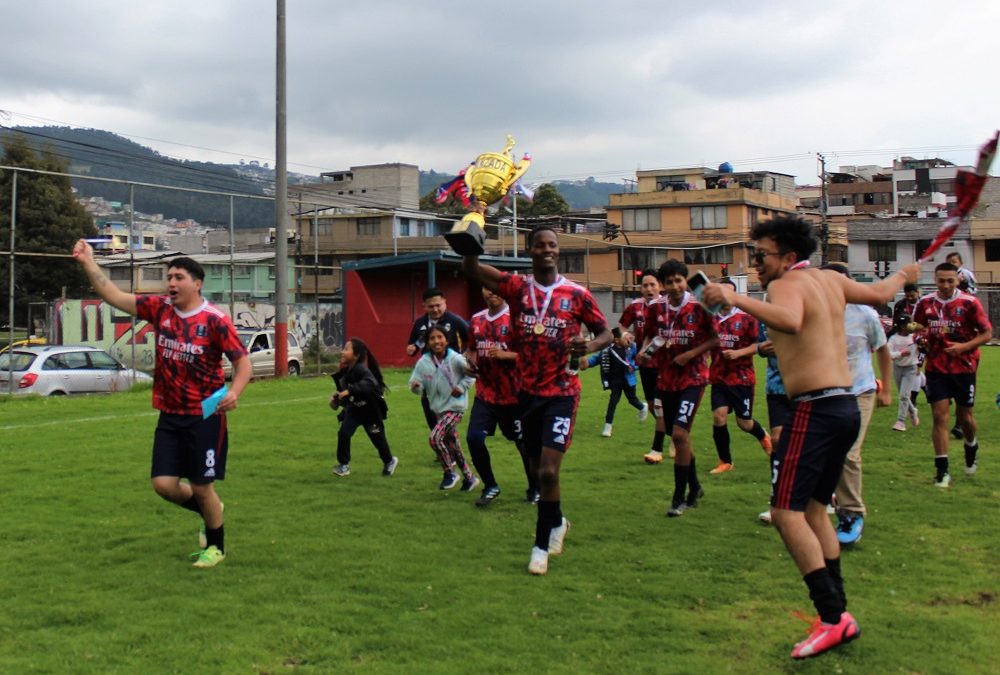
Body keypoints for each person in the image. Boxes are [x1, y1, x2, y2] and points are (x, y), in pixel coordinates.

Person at [702, 215, 918, 659]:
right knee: (817, 511)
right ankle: (839, 614)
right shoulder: (829, 281)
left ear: (789, 257)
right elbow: (880, 294)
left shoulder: (784, 286)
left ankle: (832, 618)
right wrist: (905, 273)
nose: (756, 263)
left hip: (815, 409)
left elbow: (791, 320)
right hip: (844, 408)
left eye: (760, 255)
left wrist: (733, 296)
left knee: (786, 513)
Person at [73, 240, 251, 569]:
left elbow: (243, 364)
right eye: (169, 276)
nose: (171, 282)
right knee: (163, 485)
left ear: (196, 283)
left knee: (201, 485)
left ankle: (216, 547)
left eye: (179, 277)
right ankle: (209, 510)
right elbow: (113, 294)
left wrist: (234, 392)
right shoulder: (160, 309)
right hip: (169, 414)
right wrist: (88, 261)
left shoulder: (214, 320)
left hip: (205, 414)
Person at [462, 224, 612, 576]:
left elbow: (606, 332)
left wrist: (589, 345)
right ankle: (557, 521)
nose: (548, 249)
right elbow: (471, 270)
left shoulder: (577, 294)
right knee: (534, 469)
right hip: (525, 392)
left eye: (553, 245)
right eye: (541, 245)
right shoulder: (516, 288)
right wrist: (473, 238)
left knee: (548, 470)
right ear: (531, 251)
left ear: (559, 251)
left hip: (561, 392)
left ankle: (540, 546)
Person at [638, 259, 718, 517]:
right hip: (666, 378)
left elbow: (716, 338)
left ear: (686, 281)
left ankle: (678, 498)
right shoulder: (656, 308)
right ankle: (694, 487)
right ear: (663, 284)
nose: (674, 286)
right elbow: (651, 334)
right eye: (669, 282)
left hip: (693, 378)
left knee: (681, 435)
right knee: (677, 436)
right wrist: (645, 351)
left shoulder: (699, 305)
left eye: (679, 281)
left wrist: (691, 354)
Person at [822, 263, 892, 547]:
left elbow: (884, 350)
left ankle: (852, 514)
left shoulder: (865, 315)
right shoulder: (816, 314)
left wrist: (885, 388)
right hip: (826, 393)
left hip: (861, 391)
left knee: (848, 452)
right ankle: (821, 503)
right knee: (824, 452)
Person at [911, 262, 992, 487]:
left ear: (958, 280)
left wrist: (964, 347)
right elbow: (916, 327)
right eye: (941, 281)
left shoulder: (969, 303)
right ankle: (942, 472)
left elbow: (987, 333)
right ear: (935, 280)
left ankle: (971, 444)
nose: (945, 285)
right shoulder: (926, 303)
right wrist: (920, 338)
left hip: (964, 367)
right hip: (936, 367)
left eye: (950, 280)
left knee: (965, 417)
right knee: (939, 415)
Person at [465, 287, 536, 507]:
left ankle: (535, 488)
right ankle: (490, 486)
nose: (492, 292)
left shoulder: (518, 319)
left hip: (514, 395)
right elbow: (471, 349)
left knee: (523, 444)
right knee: (474, 438)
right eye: (487, 288)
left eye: (496, 288)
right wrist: (469, 362)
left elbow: (532, 354)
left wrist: (507, 355)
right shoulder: (476, 319)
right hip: (486, 393)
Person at [707, 279, 771, 474]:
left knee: (744, 423)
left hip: (741, 378)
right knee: (719, 417)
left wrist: (738, 353)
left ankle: (763, 436)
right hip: (718, 377)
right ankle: (725, 461)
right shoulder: (711, 317)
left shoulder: (747, 318)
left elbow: (759, 345)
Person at [408, 324, 479, 492]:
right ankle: (469, 478)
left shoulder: (455, 358)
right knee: (453, 444)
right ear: (427, 342)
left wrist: (461, 387)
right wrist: (416, 386)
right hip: (438, 409)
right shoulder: (423, 362)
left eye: (440, 337)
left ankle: (449, 473)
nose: (436, 341)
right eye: (432, 338)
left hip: (456, 407)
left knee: (435, 437)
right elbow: (415, 384)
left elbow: (472, 376)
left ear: (446, 340)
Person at [330, 337, 397, 478]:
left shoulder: (361, 369)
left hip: (370, 413)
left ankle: (389, 461)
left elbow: (370, 383)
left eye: (346, 349)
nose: (342, 352)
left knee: (378, 439)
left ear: (356, 355)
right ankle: (343, 465)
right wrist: (337, 400)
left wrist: (350, 390)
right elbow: (347, 395)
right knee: (343, 433)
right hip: (354, 411)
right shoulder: (345, 373)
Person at [406, 287, 469, 431]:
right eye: (431, 306)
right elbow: (414, 346)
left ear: (444, 303)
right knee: (430, 410)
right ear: (424, 306)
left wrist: (465, 354)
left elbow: (470, 340)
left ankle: (441, 443)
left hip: (450, 374)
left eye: (438, 305)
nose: (435, 309)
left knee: (448, 416)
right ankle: (442, 445)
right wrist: (411, 349)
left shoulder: (455, 321)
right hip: (429, 374)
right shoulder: (420, 323)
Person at [618, 269, 659, 453]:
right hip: (644, 363)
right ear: (640, 288)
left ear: (660, 287)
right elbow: (618, 327)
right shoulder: (635, 307)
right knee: (652, 405)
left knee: (661, 404)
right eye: (645, 285)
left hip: (666, 364)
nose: (649, 289)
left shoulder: (667, 306)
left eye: (653, 285)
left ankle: (663, 444)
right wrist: (623, 335)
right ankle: (674, 431)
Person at [581, 327, 646, 437]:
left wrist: (634, 367)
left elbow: (639, 361)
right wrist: (584, 363)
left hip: (628, 380)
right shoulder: (607, 350)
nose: (627, 340)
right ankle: (607, 427)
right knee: (613, 402)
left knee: (632, 400)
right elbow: (594, 360)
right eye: (624, 337)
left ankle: (642, 407)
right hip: (615, 382)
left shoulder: (632, 348)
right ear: (616, 340)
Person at [756, 321, 788, 524]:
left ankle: (823, 494)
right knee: (777, 440)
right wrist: (761, 347)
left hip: (806, 385)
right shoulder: (767, 316)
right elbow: (760, 345)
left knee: (808, 444)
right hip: (777, 388)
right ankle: (776, 503)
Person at [888, 314, 921, 432]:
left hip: (910, 368)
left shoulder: (914, 338)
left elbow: (923, 348)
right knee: (903, 395)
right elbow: (888, 354)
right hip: (897, 368)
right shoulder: (893, 339)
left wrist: (919, 365)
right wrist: (900, 354)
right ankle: (912, 410)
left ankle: (900, 421)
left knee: (904, 395)